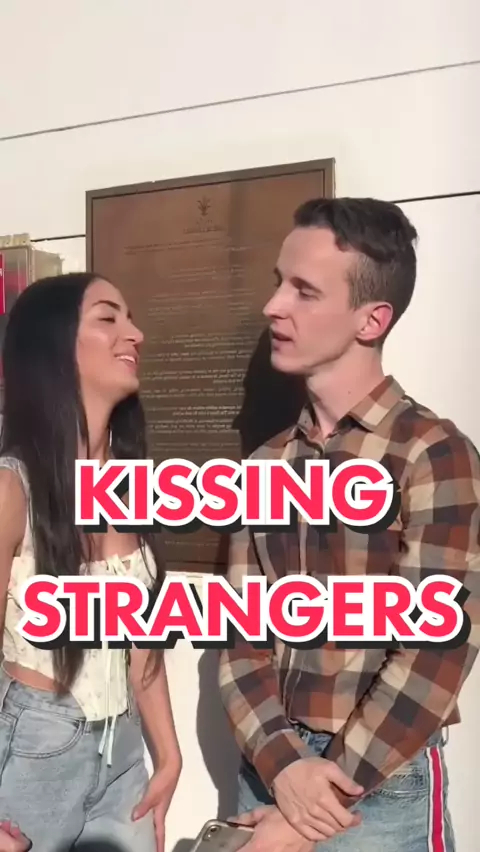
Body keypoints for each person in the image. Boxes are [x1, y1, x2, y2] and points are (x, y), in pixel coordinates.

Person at [218, 197, 480, 851]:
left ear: (372, 319)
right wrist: (283, 768)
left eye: (304, 291)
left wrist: (320, 802)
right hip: (269, 769)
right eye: (278, 282)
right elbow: (241, 636)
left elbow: (434, 654)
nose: (273, 306)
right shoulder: (264, 463)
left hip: (378, 784)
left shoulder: (432, 453)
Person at [0, 273, 182, 852]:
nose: (135, 334)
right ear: (53, 345)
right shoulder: (11, 489)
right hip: (32, 754)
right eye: (108, 318)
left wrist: (169, 756)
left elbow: (142, 643)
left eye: (130, 318)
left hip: (123, 757)